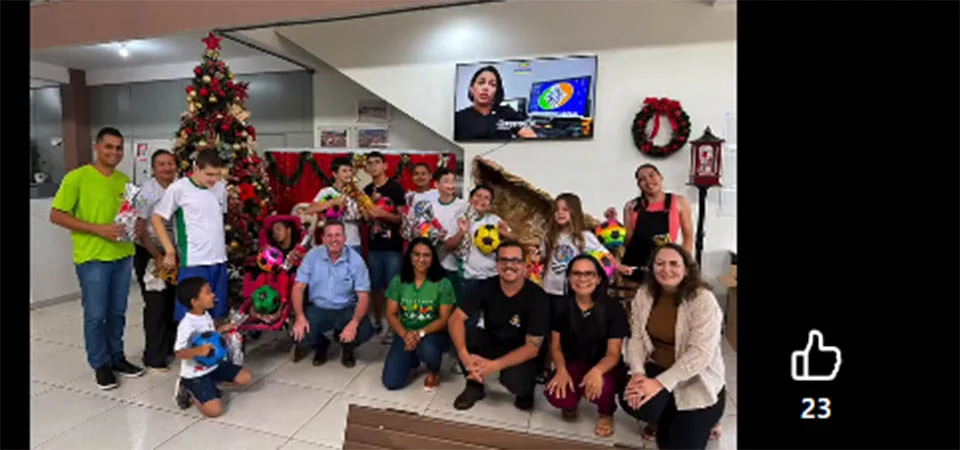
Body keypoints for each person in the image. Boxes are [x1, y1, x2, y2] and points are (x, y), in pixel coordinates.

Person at [49, 127, 145, 389]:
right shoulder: (77, 178)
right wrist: (98, 229)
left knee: (118, 312)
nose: (114, 152)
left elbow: (127, 214)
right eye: (108, 146)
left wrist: (136, 226)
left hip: (123, 255)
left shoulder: (124, 181)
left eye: (118, 148)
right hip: (92, 258)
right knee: (96, 315)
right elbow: (57, 215)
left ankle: (117, 357)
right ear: (97, 147)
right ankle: (100, 364)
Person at [619, 243, 726, 450]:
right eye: (660, 263)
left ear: (686, 269)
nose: (666, 269)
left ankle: (711, 415)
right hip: (657, 367)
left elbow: (699, 355)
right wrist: (638, 374)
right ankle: (663, 414)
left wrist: (658, 384)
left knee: (681, 445)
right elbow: (637, 339)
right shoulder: (644, 294)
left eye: (674, 264)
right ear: (652, 268)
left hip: (696, 377)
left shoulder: (703, 300)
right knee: (633, 400)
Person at [539, 193, 633, 381]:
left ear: (574, 212)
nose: (560, 213)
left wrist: (619, 267)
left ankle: (567, 366)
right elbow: (543, 259)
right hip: (548, 290)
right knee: (547, 331)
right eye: (557, 210)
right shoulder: (549, 237)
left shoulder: (584, 237)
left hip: (568, 293)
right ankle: (545, 368)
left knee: (563, 333)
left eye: (565, 209)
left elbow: (604, 255)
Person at [447, 241, 550, 411]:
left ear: (524, 265)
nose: (509, 265)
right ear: (497, 264)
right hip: (494, 341)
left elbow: (532, 349)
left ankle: (525, 392)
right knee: (466, 335)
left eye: (515, 260)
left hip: (522, 350)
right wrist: (464, 356)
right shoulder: (485, 286)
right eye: (504, 260)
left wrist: (494, 366)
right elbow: (455, 319)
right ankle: (474, 385)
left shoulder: (538, 298)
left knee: (516, 381)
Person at [544, 255, 629, 438]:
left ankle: (606, 412)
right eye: (576, 274)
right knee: (556, 393)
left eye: (589, 274)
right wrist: (561, 370)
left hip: (605, 365)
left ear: (598, 278)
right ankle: (572, 402)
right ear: (568, 277)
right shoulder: (560, 306)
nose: (582, 279)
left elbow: (613, 354)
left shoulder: (613, 308)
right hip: (574, 363)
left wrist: (597, 371)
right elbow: (555, 346)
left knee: (603, 387)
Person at [152, 149, 229, 323]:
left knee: (218, 314)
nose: (213, 179)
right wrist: (170, 251)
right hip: (194, 262)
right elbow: (156, 218)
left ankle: (215, 340)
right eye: (209, 174)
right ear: (196, 169)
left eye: (217, 174)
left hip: (219, 261)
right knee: (191, 317)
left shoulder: (220, 188)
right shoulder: (179, 188)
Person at [290, 220, 375, 368]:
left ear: (345, 238)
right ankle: (321, 345)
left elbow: (363, 295)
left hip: (346, 309)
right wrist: (299, 317)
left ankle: (347, 346)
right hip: (318, 308)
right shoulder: (312, 256)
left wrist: (354, 323)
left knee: (365, 330)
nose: (334, 239)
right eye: (329, 235)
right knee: (299, 334)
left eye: (338, 235)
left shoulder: (356, 260)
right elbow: (298, 287)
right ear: (323, 239)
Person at [381, 238, 456, 391]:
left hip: (432, 333)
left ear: (433, 258)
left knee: (429, 350)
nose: (421, 259)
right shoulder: (398, 281)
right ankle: (413, 359)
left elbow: (444, 319)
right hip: (405, 333)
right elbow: (391, 314)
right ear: (409, 256)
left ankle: (434, 369)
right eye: (416, 254)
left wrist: (420, 333)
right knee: (391, 382)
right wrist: (405, 335)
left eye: (426, 255)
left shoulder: (443, 283)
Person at [172, 277, 253, 417]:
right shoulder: (186, 325)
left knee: (246, 378)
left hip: (214, 366)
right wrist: (198, 351)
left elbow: (210, 335)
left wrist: (222, 329)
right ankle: (187, 387)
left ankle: (211, 386)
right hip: (196, 373)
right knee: (215, 411)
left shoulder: (206, 315)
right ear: (195, 302)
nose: (213, 295)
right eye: (208, 292)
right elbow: (179, 353)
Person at [133, 149, 179, 372]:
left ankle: (170, 348)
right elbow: (140, 230)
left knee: (172, 302)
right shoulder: (146, 192)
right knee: (156, 304)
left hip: (175, 254)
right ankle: (153, 357)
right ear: (153, 168)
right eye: (161, 164)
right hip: (151, 253)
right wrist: (158, 257)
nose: (167, 168)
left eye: (170, 163)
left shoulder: (179, 187)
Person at [615, 164, 694, 283]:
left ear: (660, 177)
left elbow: (688, 238)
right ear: (638, 184)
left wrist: (683, 263)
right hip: (635, 266)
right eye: (642, 179)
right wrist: (616, 222)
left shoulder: (679, 202)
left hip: (664, 267)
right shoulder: (632, 206)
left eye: (652, 175)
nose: (648, 181)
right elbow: (628, 241)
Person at [362, 151, 407, 343]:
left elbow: (401, 218)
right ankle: (378, 321)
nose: (373, 166)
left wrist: (382, 214)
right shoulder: (366, 190)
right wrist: (367, 213)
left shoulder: (395, 188)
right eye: (370, 163)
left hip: (393, 247)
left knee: (393, 288)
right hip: (374, 247)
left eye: (377, 162)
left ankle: (393, 325)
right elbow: (364, 220)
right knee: (375, 287)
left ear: (385, 165)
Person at [445, 185, 517, 295]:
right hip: (469, 278)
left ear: (490, 205)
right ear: (470, 199)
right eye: (478, 196)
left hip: (493, 276)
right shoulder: (460, 219)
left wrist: (505, 233)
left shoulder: (494, 220)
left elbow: (516, 239)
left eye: (486, 198)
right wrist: (462, 232)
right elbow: (448, 246)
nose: (481, 200)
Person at [454, 65, 537, 141]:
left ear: (497, 92)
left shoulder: (507, 113)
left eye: (492, 84)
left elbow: (531, 137)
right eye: (481, 82)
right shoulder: (458, 118)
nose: (485, 88)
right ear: (471, 89)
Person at [306, 156, 363, 255]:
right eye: (344, 171)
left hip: (353, 243)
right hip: (332, 244)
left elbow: (365, 217)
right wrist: (333, 202)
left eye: (350, 171)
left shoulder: (357, 193)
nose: (348, 174)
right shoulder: (326, 192)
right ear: (335, 174)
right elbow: (310, 209)